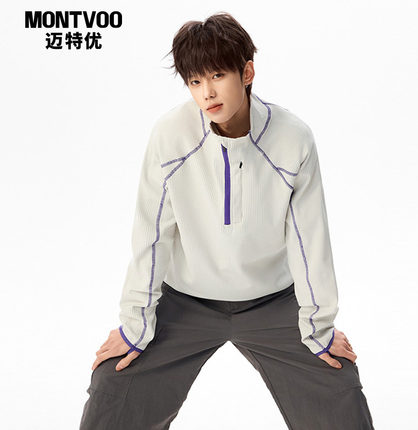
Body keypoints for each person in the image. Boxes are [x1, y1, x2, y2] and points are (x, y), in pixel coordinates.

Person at [79, 11, 375, 430]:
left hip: (274, 303)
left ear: (247, 72)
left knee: (340, 388)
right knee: (112, 386)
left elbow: (310, 241)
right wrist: (134, 325)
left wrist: (319, 327)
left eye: (218, 75)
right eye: (195, 81)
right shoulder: (170, 136)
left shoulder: (292, 139)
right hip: (184, 302)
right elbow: (151, 235)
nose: (207, 92)